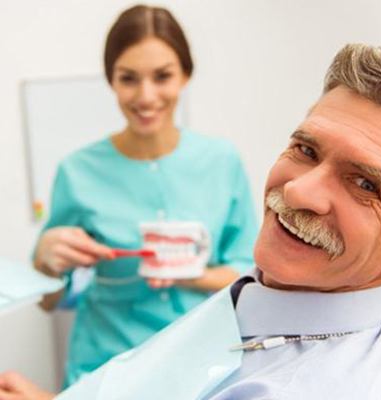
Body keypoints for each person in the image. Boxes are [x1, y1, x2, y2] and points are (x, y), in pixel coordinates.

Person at [1, 42, 381, 399]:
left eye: (365, 185)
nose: (299, 191)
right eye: (306, 150)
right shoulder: (280, 289)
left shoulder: (310, 381)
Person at [21, 3, 258, 390]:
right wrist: (46, 262)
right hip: (104, 369)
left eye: (162, 76)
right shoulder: (77, 171)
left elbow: (249, 276)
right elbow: (48, 302)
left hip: (200, 366)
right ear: (111, 80)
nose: (146, 97)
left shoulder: (221, 162)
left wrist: (190, 273)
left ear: (185, 75)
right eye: (128, 78)